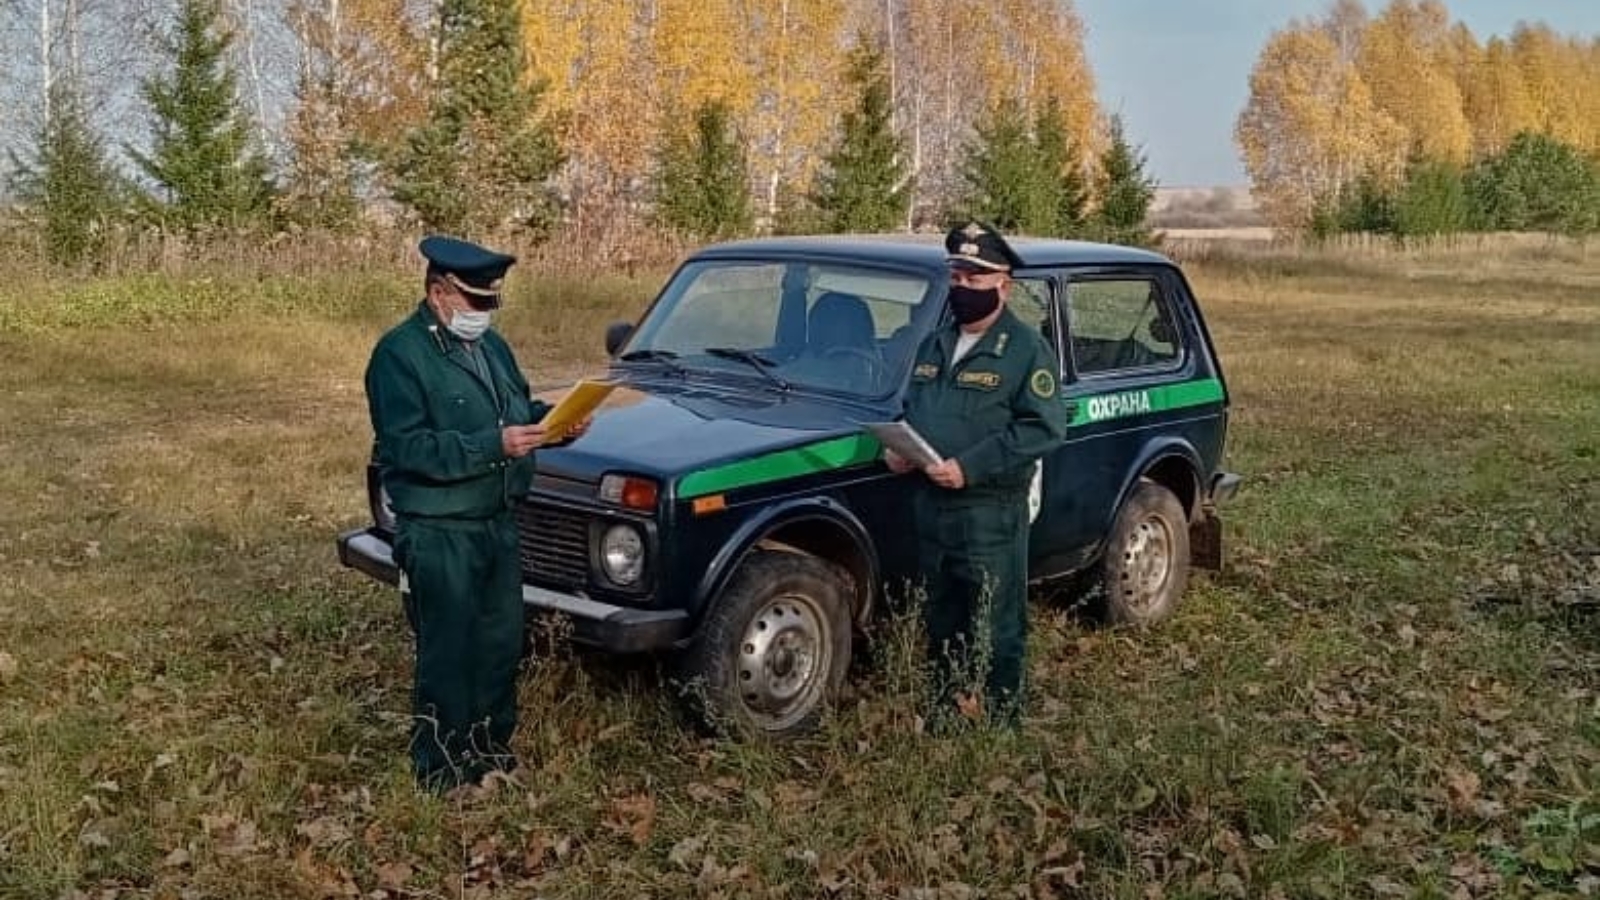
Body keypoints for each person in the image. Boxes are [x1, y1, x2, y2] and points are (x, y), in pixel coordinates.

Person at [364, 235, 583, 791]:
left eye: (493, 302)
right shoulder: (398, 356)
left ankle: (489, 752)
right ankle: (441, 767)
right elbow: (406, 449)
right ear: (440, 293)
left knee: (500, 643)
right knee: (449, 648)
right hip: (440, 529)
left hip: (497, 522)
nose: (486, 312)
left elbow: (516, 411)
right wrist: (494, 445)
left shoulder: (494, 349)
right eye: (477, 302)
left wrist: (555, 424)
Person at [884, 221, 1068, 727]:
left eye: (974, 279)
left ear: (1003, 286)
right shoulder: (935, 344)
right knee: (942, 617)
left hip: (988, 511)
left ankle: (1000, 719)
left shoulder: (1026, 350)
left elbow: (1045, 428)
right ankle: (944, 710)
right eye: (956, 278)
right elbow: (913, 410)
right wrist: (898, 454)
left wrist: (971, 467)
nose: (962, 289)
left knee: (995, 619)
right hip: (931, 508)